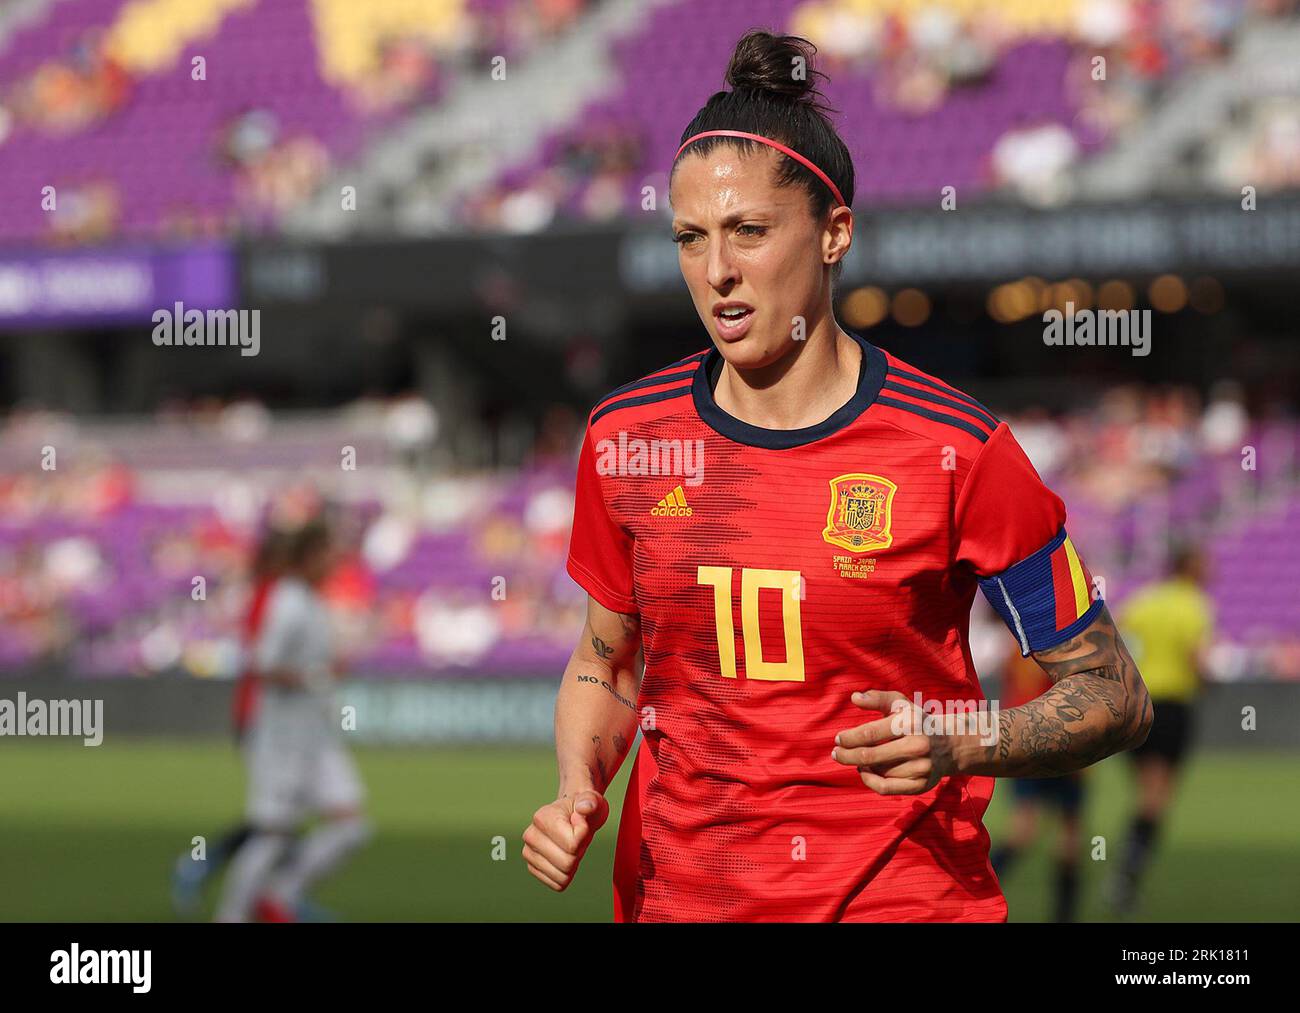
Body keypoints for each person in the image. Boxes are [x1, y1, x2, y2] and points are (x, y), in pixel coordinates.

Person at [522, 30, 1151, 922]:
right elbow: (606, 662)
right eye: (690, 238)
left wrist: (965, 737)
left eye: (749, 231)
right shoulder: (626, 437)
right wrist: (576, 786)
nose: (718, 271)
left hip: (902, 901)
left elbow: (1115, 695)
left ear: (834, 234)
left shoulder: (959, 448)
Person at [215, 520, 370, 923]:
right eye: (327, 552)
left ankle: (279, 896)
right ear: (309, 556)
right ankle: (232, 916)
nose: (335, 560)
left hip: (315, 736)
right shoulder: (287, 600)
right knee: (273, 832)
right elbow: (261, 663)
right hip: (281, 737)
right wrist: (314, 676)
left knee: (351, 824)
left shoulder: (313, 601)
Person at [171, 527, 293, 916]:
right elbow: (269, 661)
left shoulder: (278, 596)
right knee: (274, 817)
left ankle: (266, 891)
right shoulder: (273, 597)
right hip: (262, 718)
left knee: (278, 815)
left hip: (270, 718)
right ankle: (210, 870)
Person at [1109, 543, 1213, 916]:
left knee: (1145, 795)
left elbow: (1115, 640)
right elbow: (1196, 657)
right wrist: (1208, 682)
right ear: (1191, 567)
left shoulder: (1145, 599)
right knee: (1156, 799)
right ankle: (1125, 879)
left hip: (1136, 705)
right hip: (1170, 706)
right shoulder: (1192, 604)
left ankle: (1125, 874)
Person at [988, 648, 1086, 923]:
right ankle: (1063, 917)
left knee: (1035, 832)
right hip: (1056, 742)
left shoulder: (1012, 651)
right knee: (1061, 836)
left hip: (1025, 743)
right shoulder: (1054, 648)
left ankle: (976, 890)